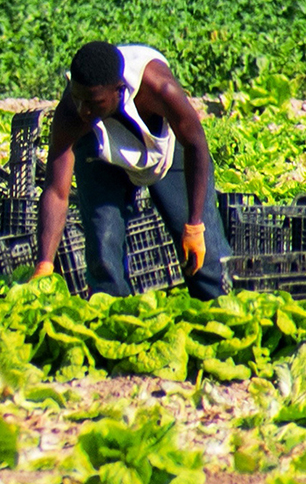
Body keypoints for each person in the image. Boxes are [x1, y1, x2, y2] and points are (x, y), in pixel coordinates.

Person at [33, 41, 231, 299]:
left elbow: (196, 145)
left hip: (168, 150)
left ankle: (215, 308)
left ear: (119, 90)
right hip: (100, 151)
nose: (84, 109)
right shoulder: (74, 112)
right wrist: (44, 264)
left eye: (94, 102)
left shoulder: (159, 89)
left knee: (204, 257)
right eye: (78, 98)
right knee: (103, 253)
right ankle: (111, 322)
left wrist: (194, 224)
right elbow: (57, 192)